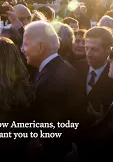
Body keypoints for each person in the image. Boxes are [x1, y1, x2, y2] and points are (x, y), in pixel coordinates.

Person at [21, 21, 83, 160]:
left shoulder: (52, 78)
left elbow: (51, 131)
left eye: (25, 44)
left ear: (40, 46)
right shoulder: (55, 68)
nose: (22, 49)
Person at [73, 26, 113, 127]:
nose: (88, 54)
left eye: (94, 49)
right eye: (87, 48)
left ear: (108, 50)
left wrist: (105, 119)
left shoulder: (112, 75)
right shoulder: (75, 67)